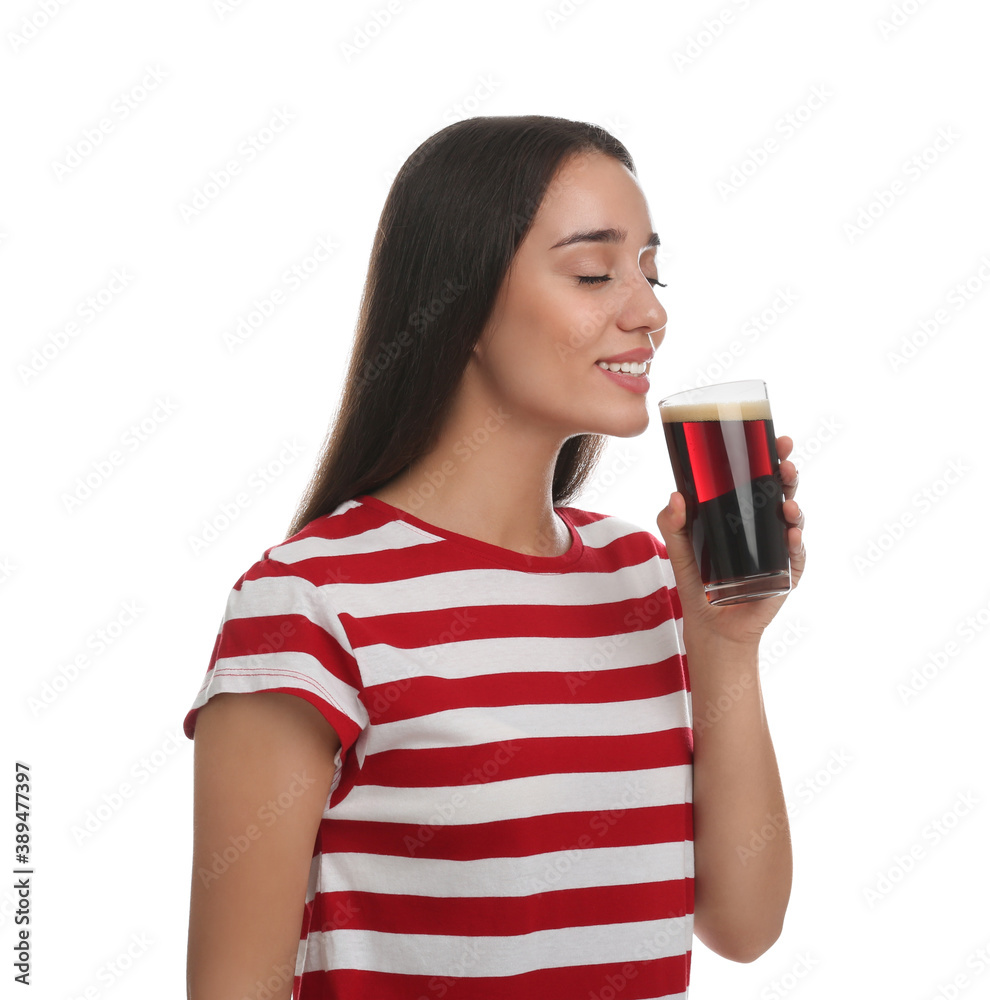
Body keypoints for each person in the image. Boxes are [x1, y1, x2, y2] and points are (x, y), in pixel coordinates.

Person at [183, 114, 805, 1000]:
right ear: (461, 303)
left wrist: (726, 642)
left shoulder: (642, 575)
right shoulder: (311, 603)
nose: (650, 312)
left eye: (650, 271)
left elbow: (745, 925)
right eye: (595, 273)